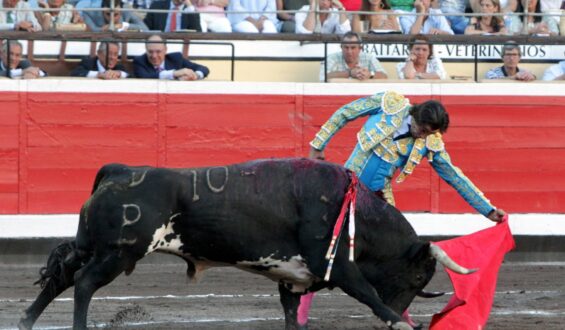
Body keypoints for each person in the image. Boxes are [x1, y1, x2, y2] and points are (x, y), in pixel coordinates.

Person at [299, 90, 506, 329]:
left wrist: (488, 210)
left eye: (428, 132)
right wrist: (318, 144)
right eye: (422, 127)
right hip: (345, 190)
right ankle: (300, 316)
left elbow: (454, 176)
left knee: (397, 261)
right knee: (325, 250)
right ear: (415, 114)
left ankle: (401, 318)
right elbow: (345, 113)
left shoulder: (430, 141)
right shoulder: (389, 105)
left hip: (379, 200)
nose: (422, 134)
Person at [133, 35, 210, 80]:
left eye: (158, 51)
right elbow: (145, 77)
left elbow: (203, 69)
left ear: (165, 50)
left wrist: (195, 75)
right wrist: (174, 73)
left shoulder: (176, 58)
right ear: (146, 50)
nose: (154, 56)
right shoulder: (140, 61)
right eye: (150, 51)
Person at [320, 31, 388, 81]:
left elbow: (384, 76)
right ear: (341, 47)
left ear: (360, 48)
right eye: (346, 47)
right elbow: (323, 77)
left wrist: (370, 74)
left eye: (353, 48)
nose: (349, 51)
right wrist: (350, 73)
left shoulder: (369, 57)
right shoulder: (332, 58)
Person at [82, 0, 148, 31]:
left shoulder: (126, 10)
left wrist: (124, 25)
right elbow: (93, 30)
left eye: (115, 15)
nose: (112, 19)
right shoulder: (89, 13)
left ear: (121, 12)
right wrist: (102, 29)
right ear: (102, 11)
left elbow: (145, 29)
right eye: (108, 14)